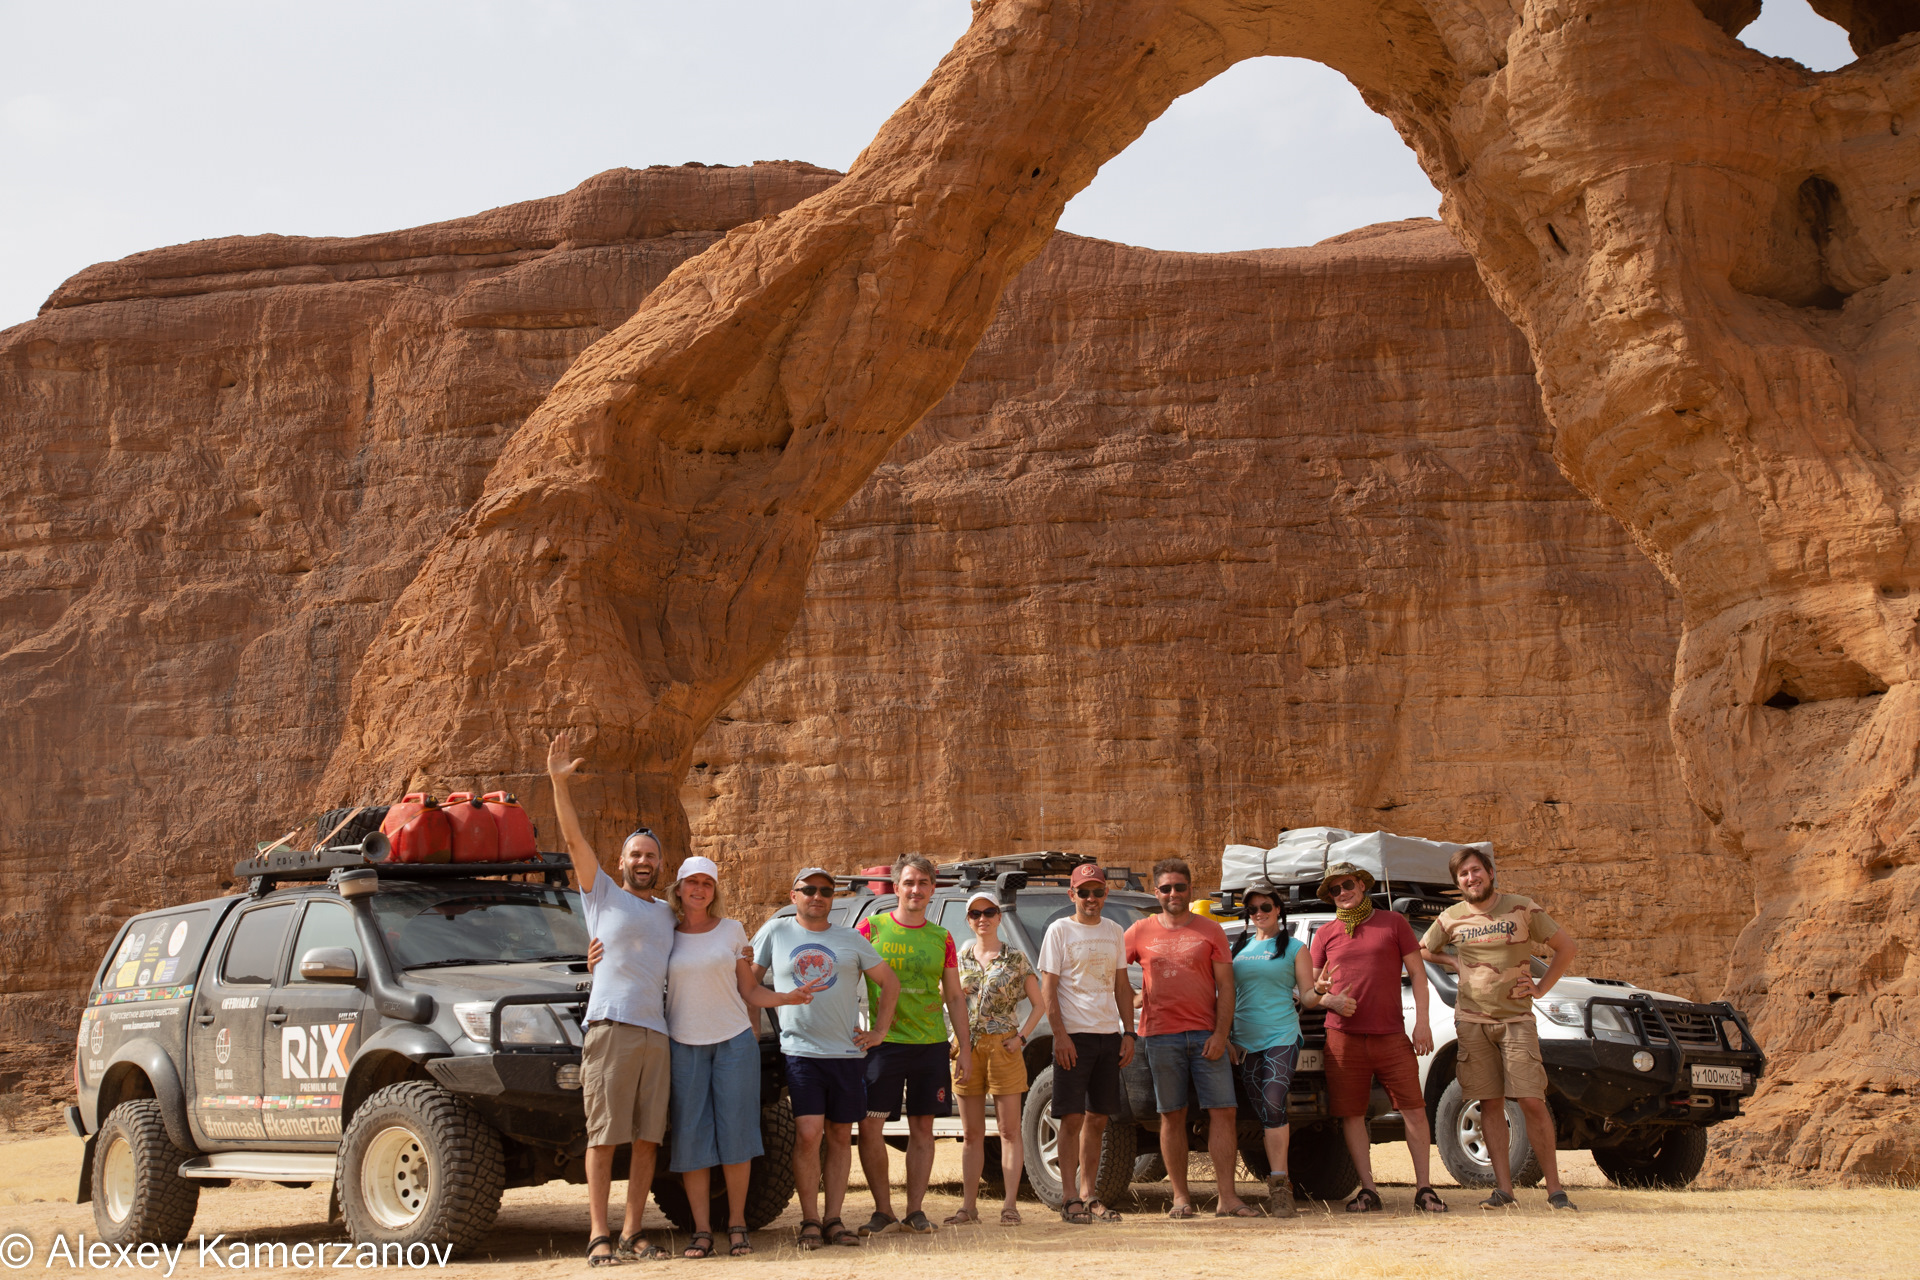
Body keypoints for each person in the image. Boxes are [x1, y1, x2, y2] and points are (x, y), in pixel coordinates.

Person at [548, 731, 677, 1264]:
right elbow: (575, 839)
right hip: (610, 1026)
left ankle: (633, 1232)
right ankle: (599, 1234)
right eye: (634, 853)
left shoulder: (669, 915)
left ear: (659, 864)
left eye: (650, 855)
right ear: (621, 861)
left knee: (647, 1139)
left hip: (658, 1033)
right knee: (603, 1136)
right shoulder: (600, 893)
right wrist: (559, 784)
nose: (642, 861)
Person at [662, 856, 824, 1257]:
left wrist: (785, 996)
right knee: (691, 1138)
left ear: (714, 890)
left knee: (737, 1134)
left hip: (734, 1043)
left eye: (707, 883)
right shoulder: (665, 933)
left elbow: (749, 990)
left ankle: (737, 1225)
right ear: (679, 888)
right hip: (683, 1044)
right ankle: (701, 1230)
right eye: (692, 882)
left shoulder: (733, 931)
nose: (699, 889)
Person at [1420, 845, 1579, 1211]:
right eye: (1463, 875)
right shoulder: (1451, 918)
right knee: (1489, 1102)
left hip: (1516, 1021)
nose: (1471, 878)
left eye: (1476, 870)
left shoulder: (1522, 908)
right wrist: (1453, 961)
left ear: (1490, 873)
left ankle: (1555, 1190)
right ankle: (1504, 1191)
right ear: (1457, 882)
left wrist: (1540, 988)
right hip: (1472, 1022)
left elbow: (1565, 947)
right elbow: (1423, 949)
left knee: (1530, 1100)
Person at [751, 868, 900, 1250]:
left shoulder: (850, 938)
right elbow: (748, 985)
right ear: (794, 894)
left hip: (847, 1054)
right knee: (807, 1135)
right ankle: (810, 1220)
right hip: (801, 1052)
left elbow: (890, 982)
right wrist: (753, 1033)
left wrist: (879, 1032)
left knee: (838, 1136)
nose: (817, 896)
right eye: (809, 890)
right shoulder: (776, 932)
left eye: (825, 891)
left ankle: (833, 1219)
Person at [1308, 860, 1446, 1214]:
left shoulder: (1393, 922)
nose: (1342, 893)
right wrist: (1329, 998)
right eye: (1334, 890)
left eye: (1348, 885)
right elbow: (1308, 990)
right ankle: (1368, 1190)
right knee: (1352, 1115)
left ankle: (1425, 1189)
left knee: (1414, 1110)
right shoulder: (1324, 934)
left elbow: (1417, 974)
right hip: (1342, 1038)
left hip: (1390, 1034)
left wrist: (1423, 1023)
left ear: (1362, 885)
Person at [1126, 858, 1254, 1218]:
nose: (1173, 894)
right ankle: (1181, 1199)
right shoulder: (1138, 931)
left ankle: (1228, 1199)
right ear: (1156, 892)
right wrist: (1132, 1000)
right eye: (1165, 888)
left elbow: (1226, 987)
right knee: (1172, 1115)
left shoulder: (1210, 931)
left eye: (1179, 887)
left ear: (1190, 890)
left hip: (1205, 1037)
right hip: (1159, 1037)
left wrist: (1220, 1034)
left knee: (1224, 1112)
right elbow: (1113, 971)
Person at [855, 855, 974, 1235]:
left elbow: (955, 997)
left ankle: (915, 1211)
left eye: (923, 883)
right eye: (909, 882)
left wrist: (965, 1049)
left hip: (930, 1046)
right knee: (871, 1126)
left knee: (923, 1128)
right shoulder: (870, 929)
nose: (916, 890)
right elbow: (842, 978)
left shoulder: (942, 938)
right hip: (883, 1045)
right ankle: (882, 1210)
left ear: (932, 888)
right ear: (895, 886)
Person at [1037, 862, 1135, 1225]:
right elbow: (1048, 988)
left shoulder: (1114, 931)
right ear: (1072, 895)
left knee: (1098, 1119)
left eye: (1097, 892)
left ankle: (1089, 1194)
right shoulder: (1059, 931)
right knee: (1071, 1117)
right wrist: (1059, 1035)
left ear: (1105, 894)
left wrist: (1129, 1033)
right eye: (1084, 892)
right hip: (1073, 1037)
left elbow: (1122, 985)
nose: (1091, 898)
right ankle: (1068, 1198)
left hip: (1108, 1036)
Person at [947, 889, 1044, 1226]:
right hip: (968, 1049)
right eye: (976, 914)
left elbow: (1040, 1003)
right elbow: (947, 1000)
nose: (983, 919)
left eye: (989, 912)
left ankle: (1010, 1206)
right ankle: (968, 1207)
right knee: (971, 1133)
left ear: (1000, 917)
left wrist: (1022, 1037)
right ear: (969, 920)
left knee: (1008, 1130)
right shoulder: (960, 960)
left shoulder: (1015, 959)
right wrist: (951, 1039)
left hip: (1004, 1047)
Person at [1227, 882, 1318, 1219]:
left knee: (1274, 1101)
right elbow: (1227, 996)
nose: (1259, 914)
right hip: (1244, 1042)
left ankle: (1280, 1187)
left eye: (1266, 907)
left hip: (1281, 1036)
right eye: (1252, 910)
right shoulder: (1239, 948)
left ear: (1279, 909)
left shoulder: (1295, 948)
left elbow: (1306, 996)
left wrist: (1326, 997)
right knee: (1266, 1114)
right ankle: (1279, 1181)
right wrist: (1228, 1037)